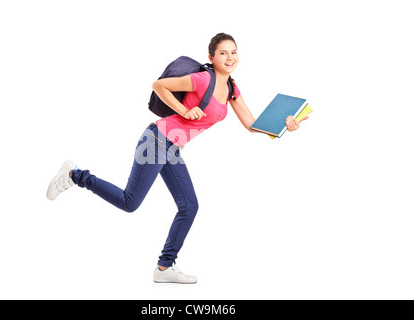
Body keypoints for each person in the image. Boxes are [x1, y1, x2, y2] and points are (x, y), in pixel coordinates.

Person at [46, 33, 309, 284]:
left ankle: (164, 267)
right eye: (223, 53)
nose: (230, 57)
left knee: (189, 206)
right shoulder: (202, 80)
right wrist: (185, 109)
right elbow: (159, 86)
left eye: (234, 52)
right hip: (156, 140)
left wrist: (286, 124)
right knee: (130, 202)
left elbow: (252, 125)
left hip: (171, 149)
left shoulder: (231, 88)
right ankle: (75, 175)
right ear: (212, 56)